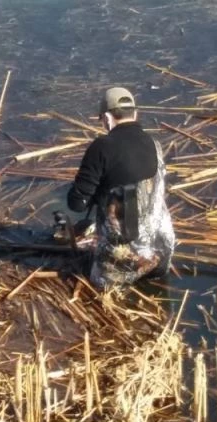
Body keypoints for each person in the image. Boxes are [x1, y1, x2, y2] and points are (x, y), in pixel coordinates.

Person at [66, 87, 175, 289]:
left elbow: (76, 204)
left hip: (121, 266)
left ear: (107, 118)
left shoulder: (102, 147)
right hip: (160, 255)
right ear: (135, 114)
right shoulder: (155, 144)